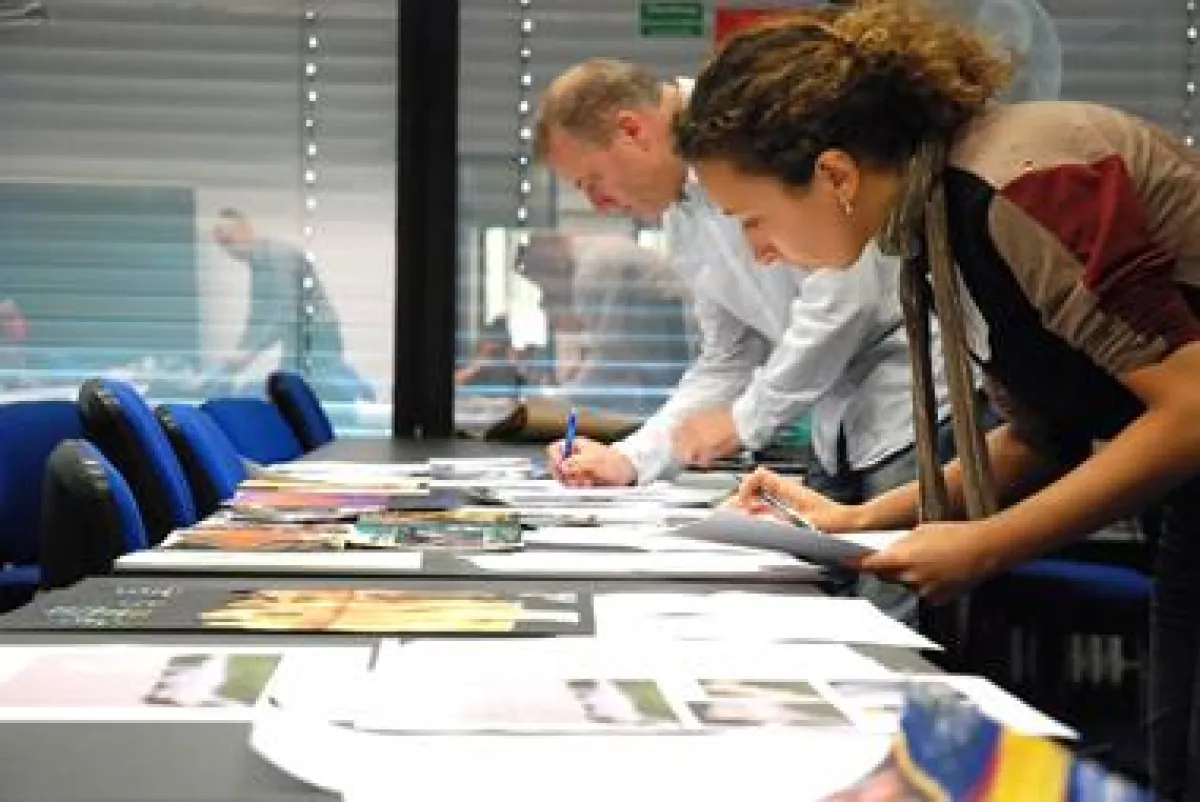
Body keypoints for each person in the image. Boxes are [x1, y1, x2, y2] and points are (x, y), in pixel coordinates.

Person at [676, 2, 1200, 797]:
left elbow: (1192, 410)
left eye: (755, 219)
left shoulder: (1022, 182)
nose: (760, 250)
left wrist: (987, 544)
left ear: (835, 175)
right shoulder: (940, 217)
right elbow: (1037, 437)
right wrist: (853, 520)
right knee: (1179, 754)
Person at [533, 58, 950, 503]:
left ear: (632, 130)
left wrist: (746, 420)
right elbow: (731, 356)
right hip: (844, 435)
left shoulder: (757, 129)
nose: (598, 205)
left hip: (918, 407)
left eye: (593, 181)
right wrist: (634, 457)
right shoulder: (682, 209)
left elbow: (844, 298)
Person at [520, 230, 691, 416]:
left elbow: (609, 358)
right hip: (673, 329)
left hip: (675, 328)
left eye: (544, 285)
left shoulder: (592, 269)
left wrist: (561, 399)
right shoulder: (595, 249)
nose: (548, 293)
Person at [212, 208, 372, 404]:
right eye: (222, 245)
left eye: (229, 241)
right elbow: (257, 317)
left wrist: (249, 353)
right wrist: (240, 352)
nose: (229, 251)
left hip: (316, 329)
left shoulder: (277, 256)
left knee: (300, 385)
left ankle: (352, 382)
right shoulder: (258, 263)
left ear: (246, 231)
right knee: (293, 385)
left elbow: (284, 311)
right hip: (299, 331)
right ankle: (346, 377)